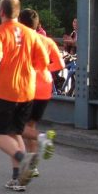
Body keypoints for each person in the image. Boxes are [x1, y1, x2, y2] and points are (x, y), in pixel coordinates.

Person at [0, 0, 49, 192]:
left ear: (1, 12)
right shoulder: (32, 34)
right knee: (15, 132)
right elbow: (43, 62)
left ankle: (24, 159)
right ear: (17, 13)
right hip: (27, 91)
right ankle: (18, 178)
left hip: (5, 90)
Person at [18, 9, 60, 178]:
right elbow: (60, 63)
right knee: (30, 125)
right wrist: (43, 69)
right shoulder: (47, 41)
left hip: (28, 86)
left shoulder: (23, 41)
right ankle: (32, 165)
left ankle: (43, 138)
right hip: (45, 87)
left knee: (14, 126)